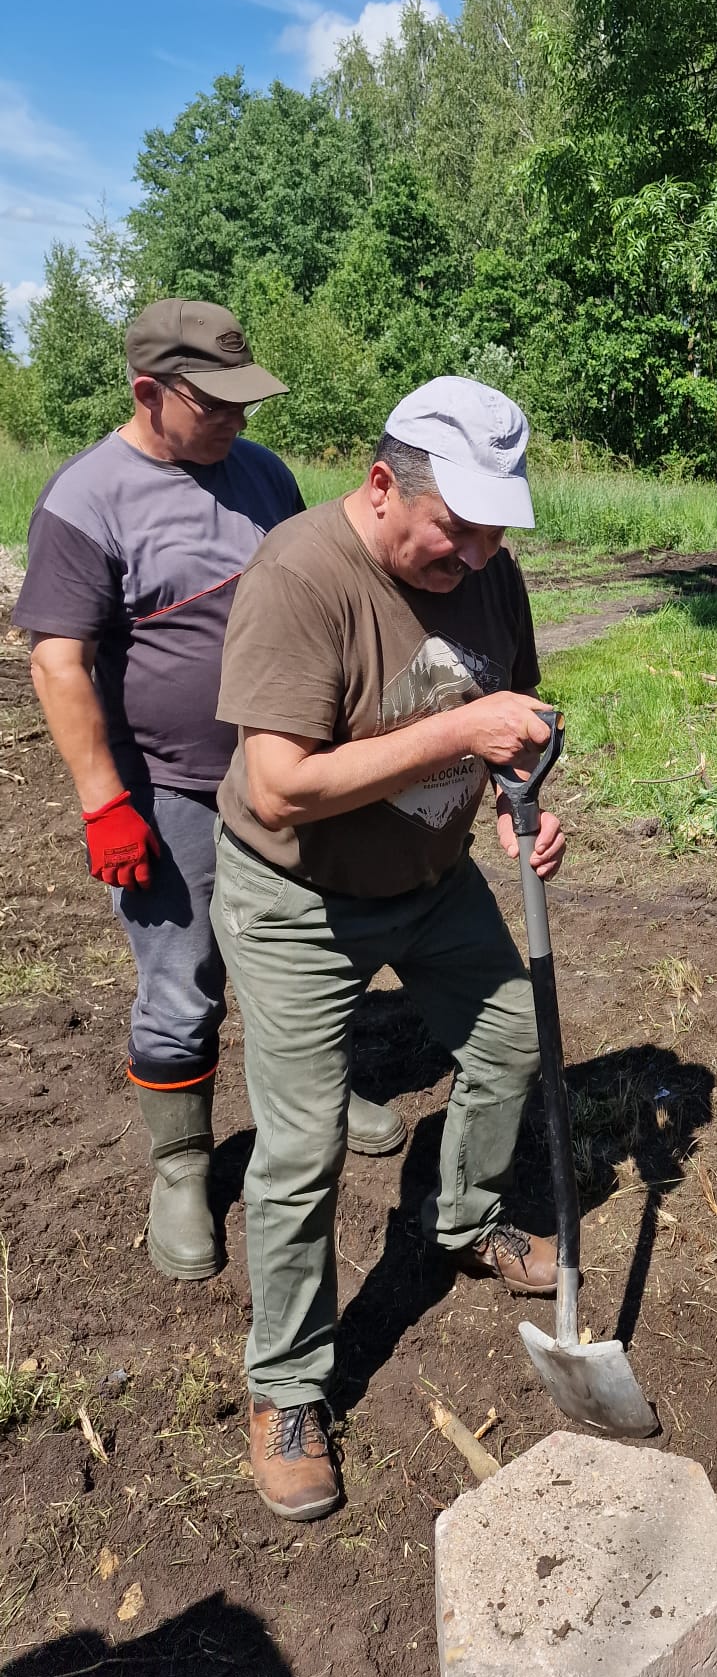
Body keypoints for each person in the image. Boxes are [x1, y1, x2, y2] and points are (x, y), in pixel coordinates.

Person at [212, 376, 564, 1522]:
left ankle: (463, 1218)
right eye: (456, 531)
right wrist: (458, 728)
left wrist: (520, 800)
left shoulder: (487, 570)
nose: (477, 556)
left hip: (431, 881)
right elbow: (279, 784)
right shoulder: (300, 576)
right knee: (303, 1144)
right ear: (381, 485)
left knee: (510, 1040)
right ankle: (287, 1386)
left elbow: (512, 711)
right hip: (297, 898)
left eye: (494, 534)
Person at [13, 298, 404, 1288]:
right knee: (182, 978)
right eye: (214, 402)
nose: (237, 418)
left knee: (308, 946)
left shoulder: (262, 474)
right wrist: (106, 802)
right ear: (149, 392)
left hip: (289, 774)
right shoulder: (87, 499)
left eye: (244, 399)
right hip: (170, 789)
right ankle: (183, 1166)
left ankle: (315, 1092)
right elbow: (57, 662)